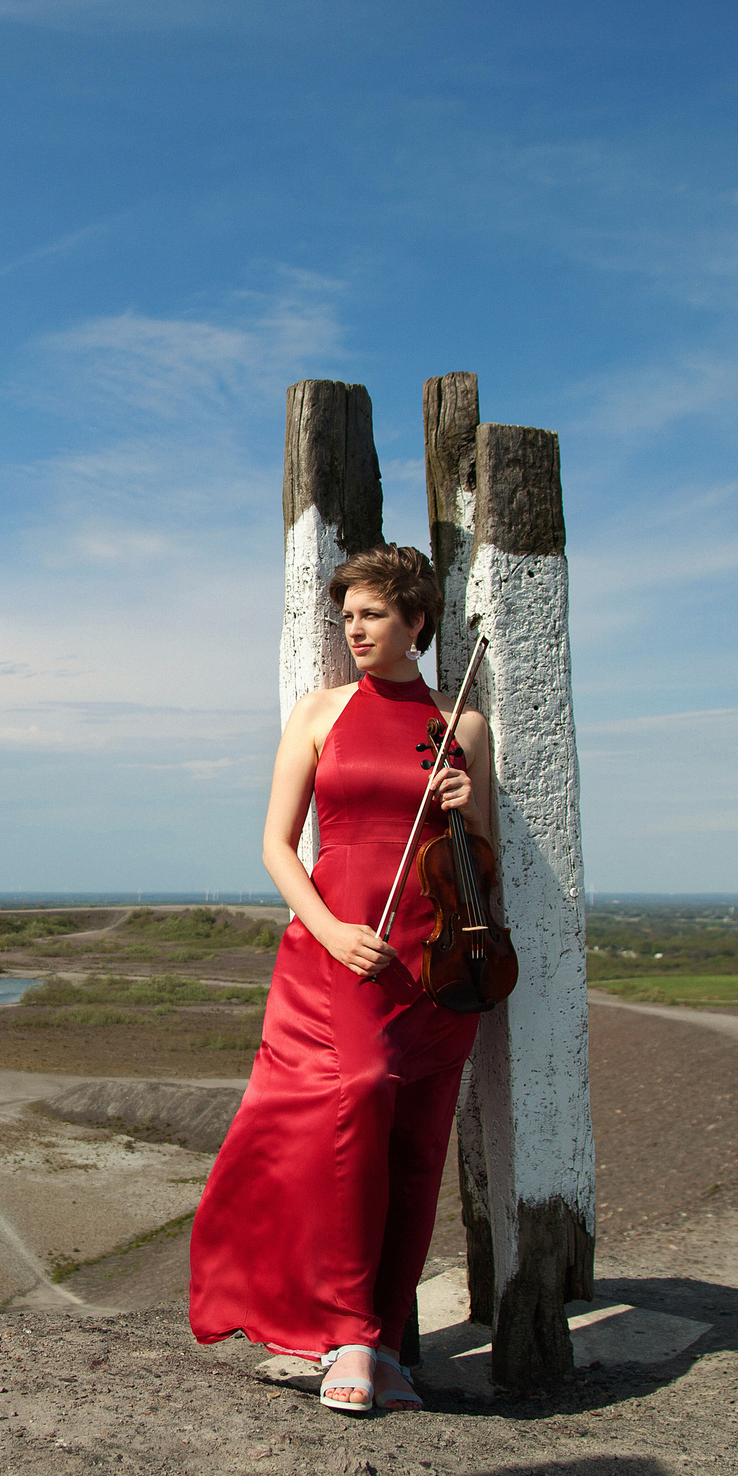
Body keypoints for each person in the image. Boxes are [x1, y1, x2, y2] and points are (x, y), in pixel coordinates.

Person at [187, 543, 491, 1413]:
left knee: (419, 1143)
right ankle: (348, 1332)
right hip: (348, 941)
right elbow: (278, 846)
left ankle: (387, 1344)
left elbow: (488, 863)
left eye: (372, 614)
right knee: (359, 1095)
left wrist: (468, 816)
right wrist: (329, 929)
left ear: (417, 622)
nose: (355, 628)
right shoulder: (320, 713)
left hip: (437, 952)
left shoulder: (460, 725)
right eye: (348, 614)